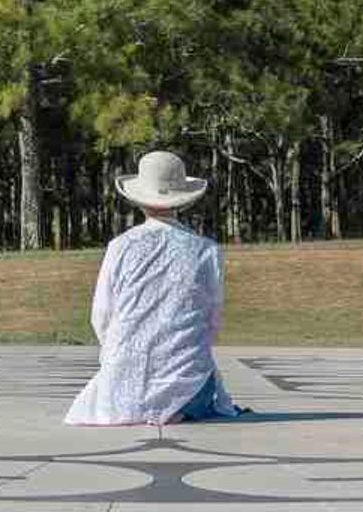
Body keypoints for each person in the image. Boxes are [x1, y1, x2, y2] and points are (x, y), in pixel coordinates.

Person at [66, 150, 245, 426]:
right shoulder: (206, 250)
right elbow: (212, 321)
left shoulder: (120, 247)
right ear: (182, 201)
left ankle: (141, 401)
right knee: (202, 380)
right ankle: (178, 405)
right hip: (186, 374)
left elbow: (101, 315)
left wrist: (121, 352)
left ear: (139, 199)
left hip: (123, 380)